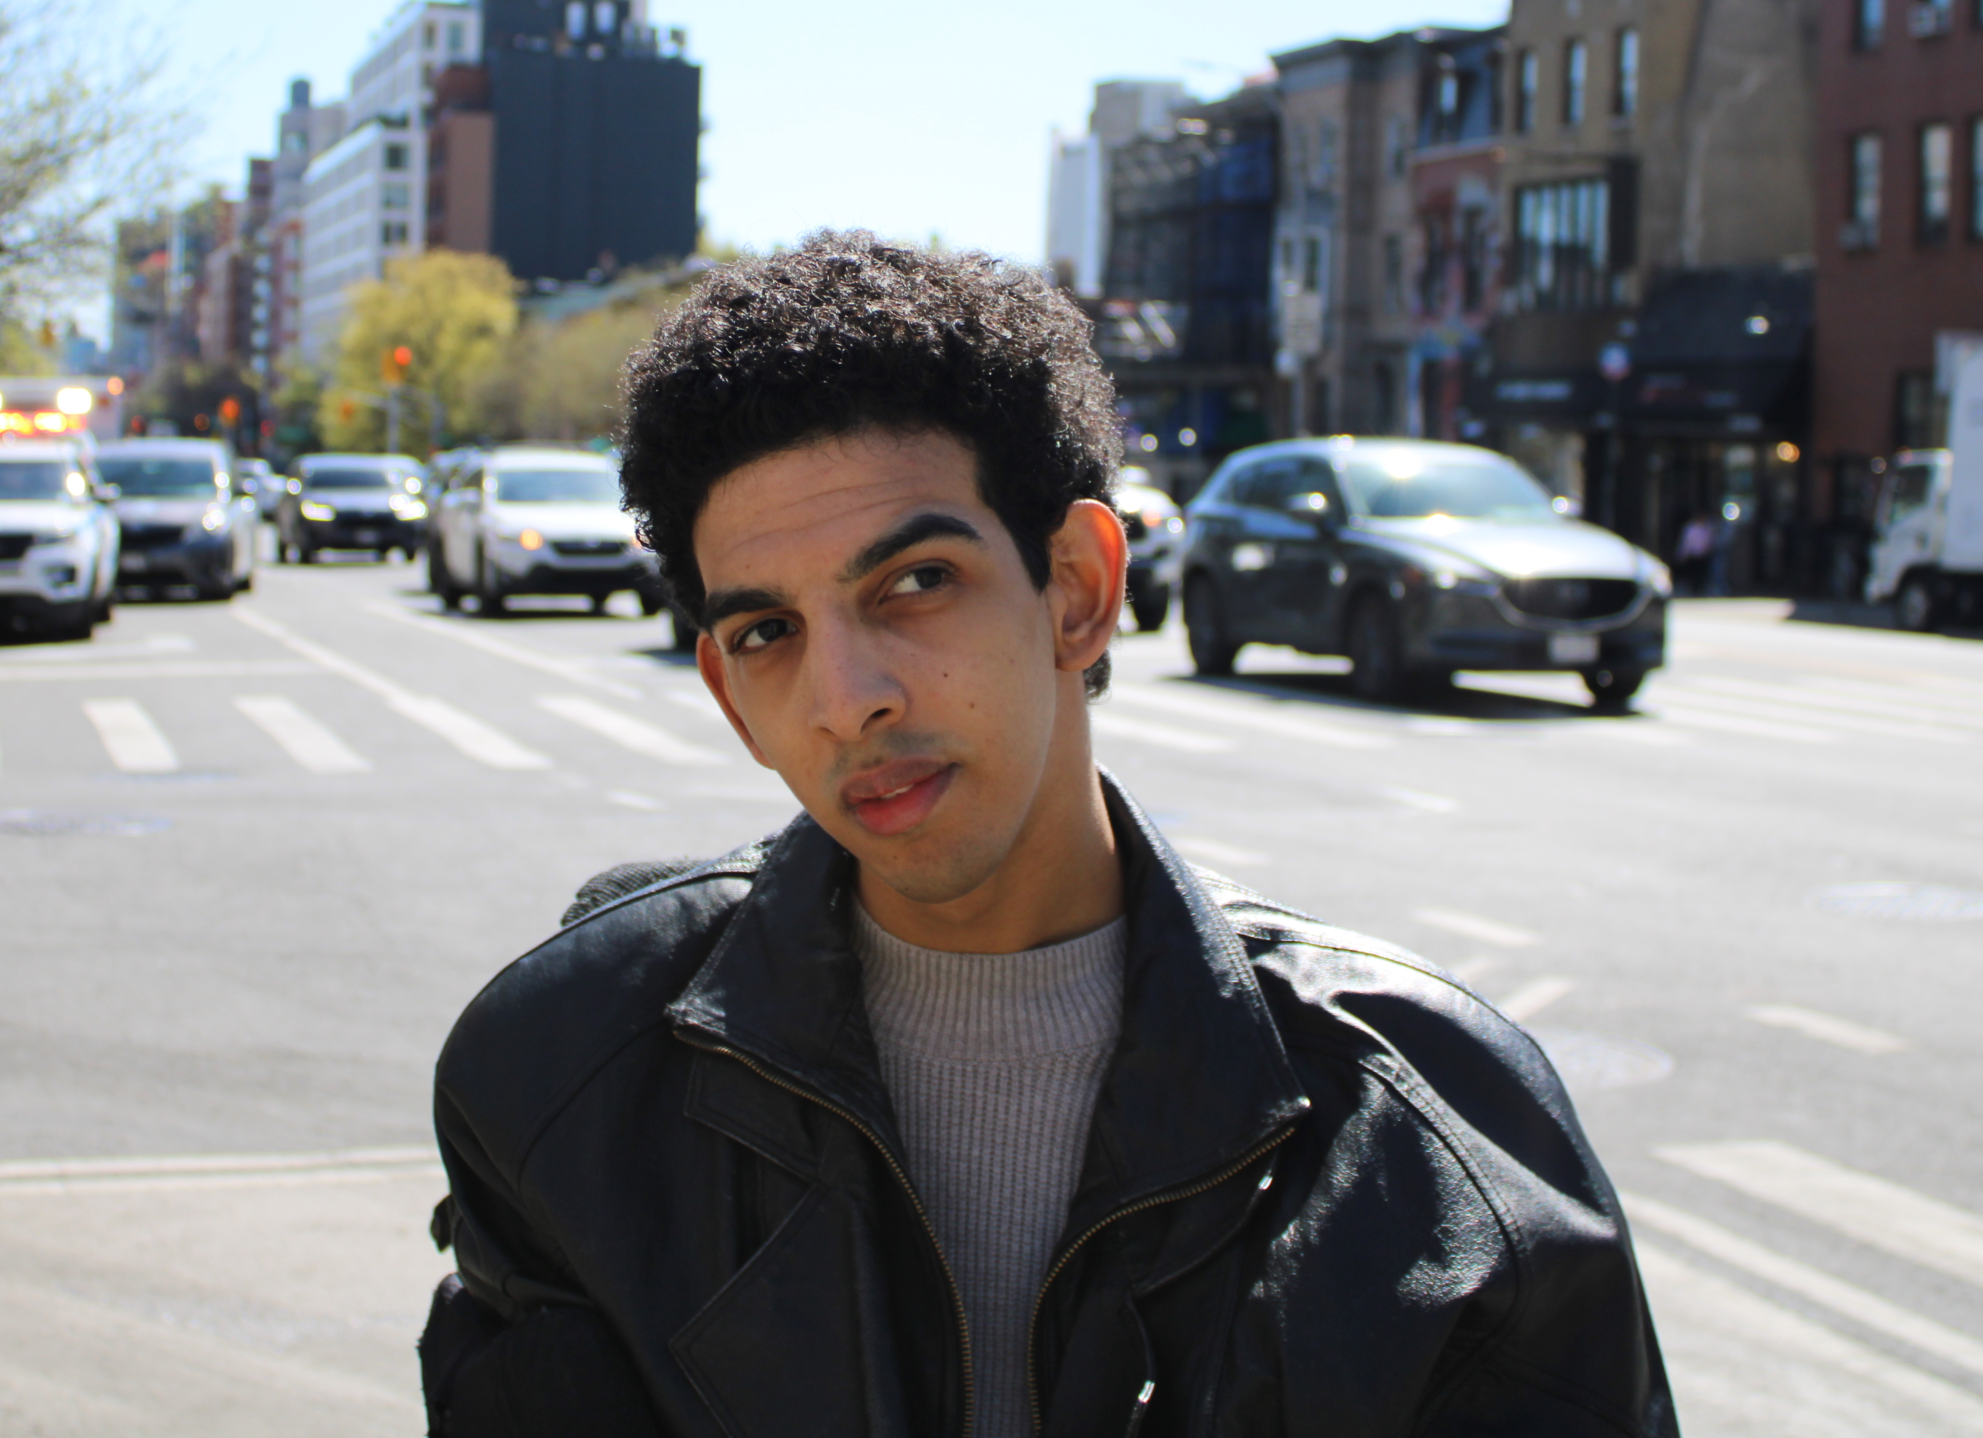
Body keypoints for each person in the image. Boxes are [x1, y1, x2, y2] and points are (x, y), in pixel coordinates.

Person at [418, 232, 1676, 1438]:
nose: (847, 697)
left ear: (1078, 588)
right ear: (729, 696)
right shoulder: (562, 1086)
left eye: (916, 583)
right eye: (768, 633)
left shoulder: (1430, 1144)